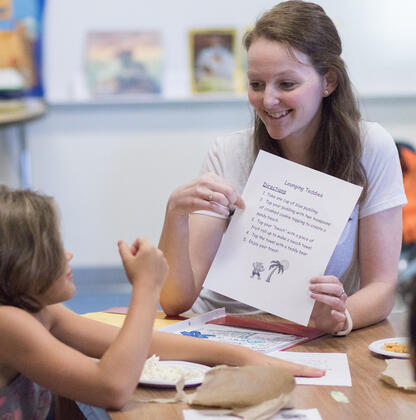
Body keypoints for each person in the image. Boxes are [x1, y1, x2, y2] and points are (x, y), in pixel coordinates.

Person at [0, 185, 321, 419]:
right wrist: (146, 288)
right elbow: (112, 388)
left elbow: (144, 345)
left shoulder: (37, 314)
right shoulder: (0, 325)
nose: (68, 256)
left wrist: (241, 356)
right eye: (54, 249)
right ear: (13, 266)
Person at [159, 1, 406, 335]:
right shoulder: (228, 152)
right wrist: (175, 215)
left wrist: (340, 317)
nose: (268, 100)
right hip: (225, 331)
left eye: (287, 84)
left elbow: (383, 287)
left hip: (316, 336)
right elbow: (175, 302)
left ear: (328, 81)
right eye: (256, 84)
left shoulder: (370, 146)